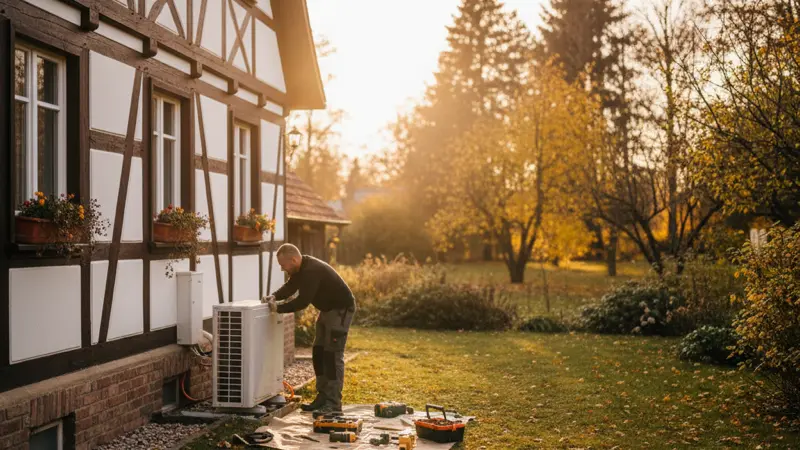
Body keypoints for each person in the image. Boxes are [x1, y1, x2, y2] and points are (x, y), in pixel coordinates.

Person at [262, 244, 356, 414]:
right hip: (326, 310)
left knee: (332, 355)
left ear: (293, 259)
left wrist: (278, 309)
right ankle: (322, 397)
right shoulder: (299, 269)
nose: (282, 269)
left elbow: (302, 302)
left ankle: (334, 404)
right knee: (318, 352)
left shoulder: (312, 271)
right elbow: (291, 287)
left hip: (340, 310)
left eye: (283, 265)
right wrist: (274, 296)